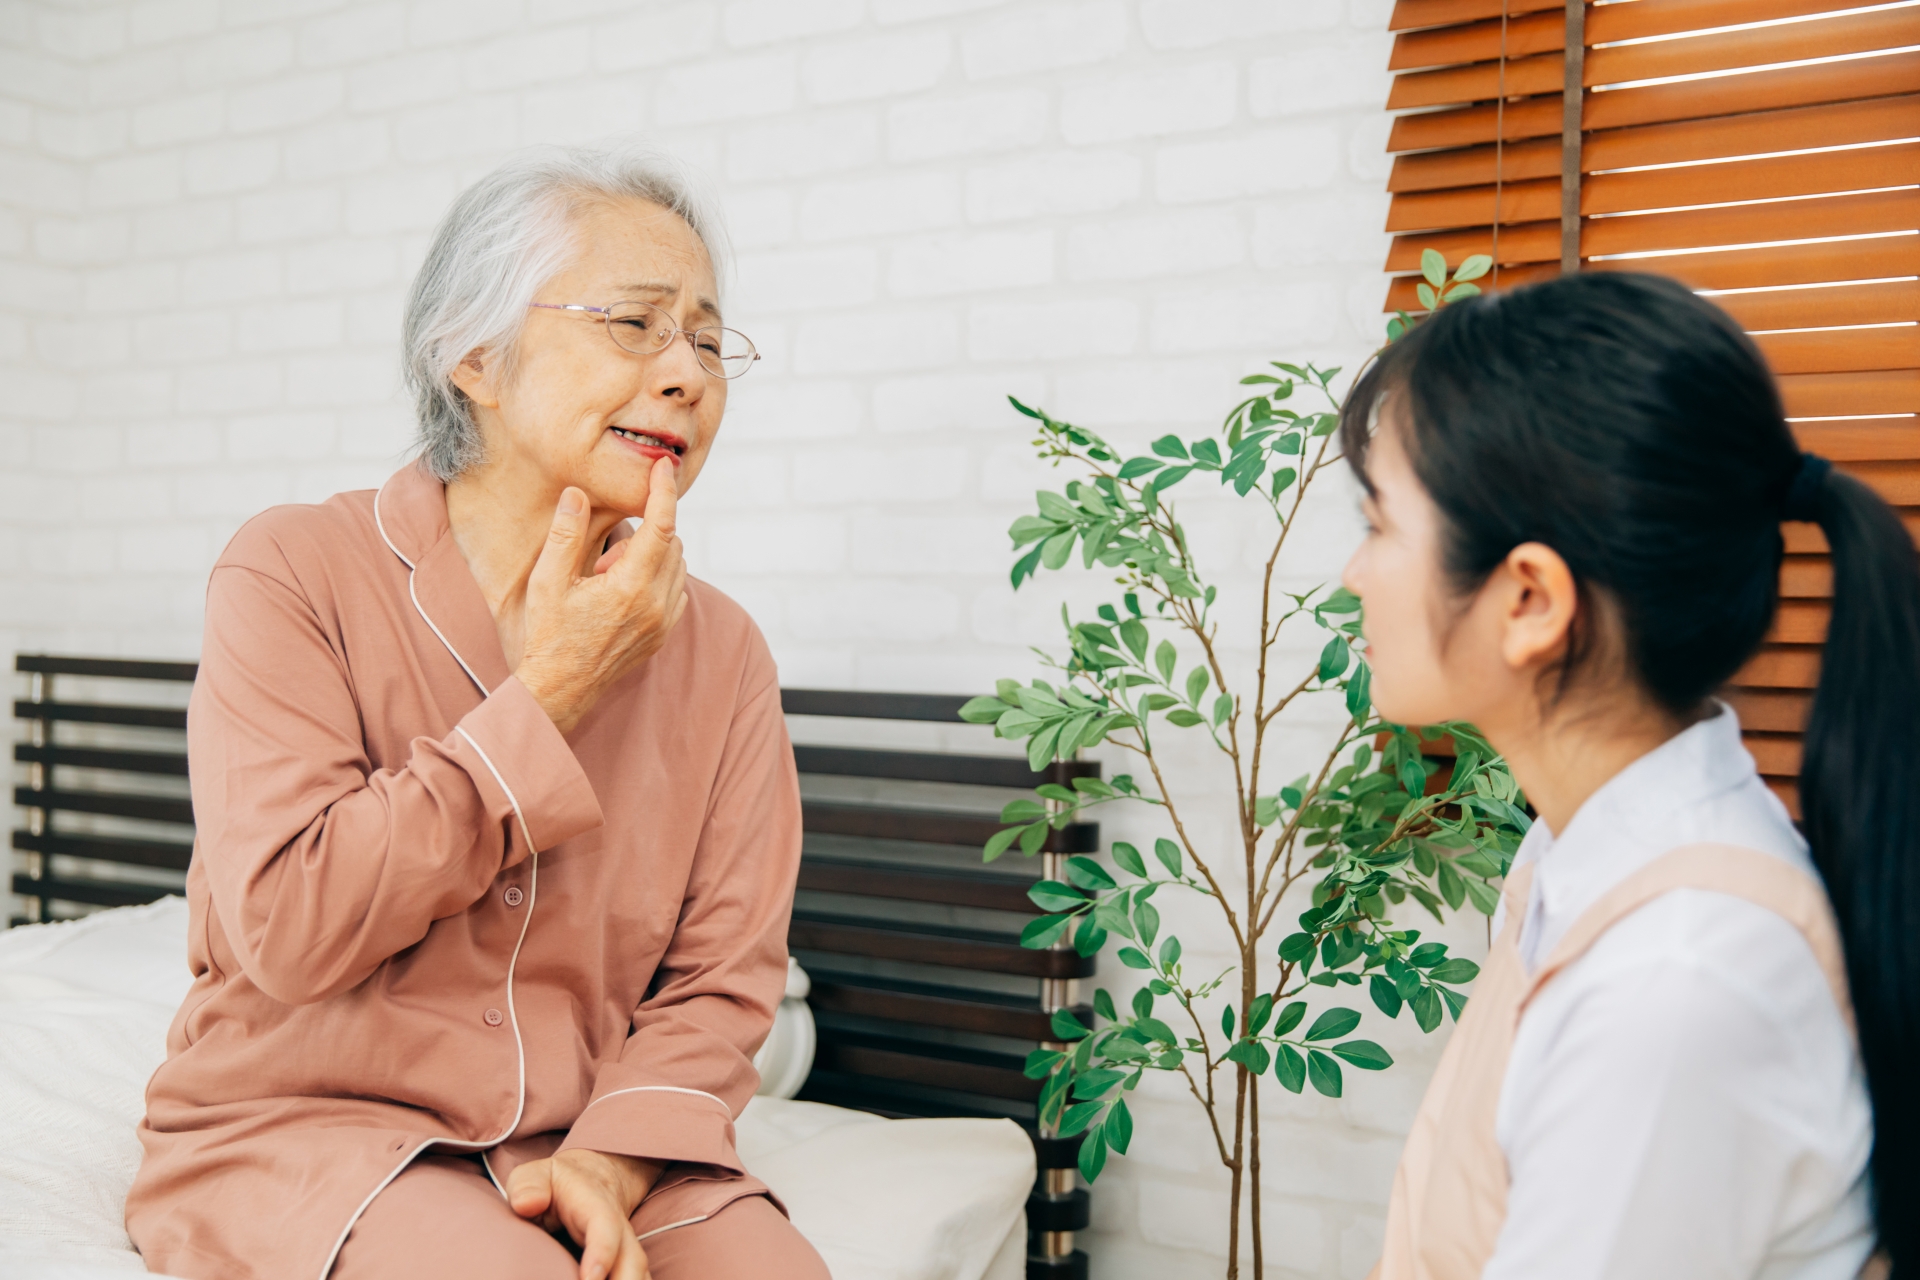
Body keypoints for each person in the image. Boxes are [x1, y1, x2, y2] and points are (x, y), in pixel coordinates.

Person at [125, 147, 828, 1280]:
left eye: (706, 338)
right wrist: (553, 693)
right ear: (474, 356)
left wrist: (615, 1156)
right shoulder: (291, 569)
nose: (687, 372)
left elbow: (724, 973)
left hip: (591, 1132)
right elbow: (290, 925)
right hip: (310, 1128)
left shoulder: (726, 651)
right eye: (635, 323)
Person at [1342, 271, 1914, 1279]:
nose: (1354, 573)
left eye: (1380, 525)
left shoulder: (1678, 978)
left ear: (1529, 598)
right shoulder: (1574, 849)